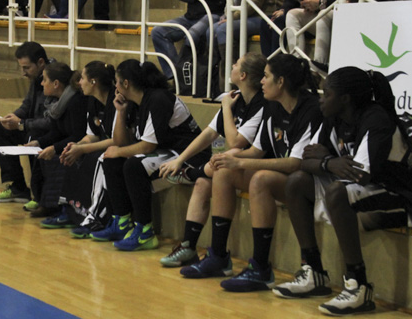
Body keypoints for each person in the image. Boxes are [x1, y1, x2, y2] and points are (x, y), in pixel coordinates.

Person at [274, 66, 412, 316]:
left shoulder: (376, 119)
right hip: (367, 190)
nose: (321, 100)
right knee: (296, 182)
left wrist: (328, 161)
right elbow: (306, 160)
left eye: (327, 94)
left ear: (345, 99)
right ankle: (313, 272)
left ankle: (358, 285)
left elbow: (360, 173)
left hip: (402, 199)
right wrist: (329, 162)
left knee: (337, 192)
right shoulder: (333, 118)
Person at [181, 54, 322, 290]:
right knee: (223, 171)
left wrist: (241, 163)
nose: (262, 82)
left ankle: (260, 268)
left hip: (307, 182)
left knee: (260, 179)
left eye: (267, 77)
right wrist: (228, 158)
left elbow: (295, 164)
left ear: (281, 82)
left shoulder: (310, 110)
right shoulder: (273, 107)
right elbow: (256, 151)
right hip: (284, 177)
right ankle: (217, 255)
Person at [157, 53, 266, 268]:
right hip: (232, 165)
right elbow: (208, 134)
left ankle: (193, 172)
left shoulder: (260, 104)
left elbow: (235, 142)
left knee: (225, 158)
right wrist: (180, 160)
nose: (231, 65)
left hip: (254, 165)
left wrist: (225, 107)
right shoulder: (236, 97)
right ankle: (188, 246)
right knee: (203, 182)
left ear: (242, 75)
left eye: (235, 63)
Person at [90, 60, 210, 251]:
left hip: (189, 155)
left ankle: (145, 230)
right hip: (165, 151)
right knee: (112, 160)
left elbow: (147, 146)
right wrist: (121, 112)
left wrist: (119, 151)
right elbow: (121, 142)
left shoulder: (158, 99)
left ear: (126, 83)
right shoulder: (134, 103)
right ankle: (121, 222)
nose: (116, 87)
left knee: (133, 165)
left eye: (117, 82)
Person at [57, 61, 122, 235]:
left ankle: (96, 218)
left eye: (83, 78)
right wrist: (77, 146)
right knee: (72, 152)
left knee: (98, 158)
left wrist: (84, 149)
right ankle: (72, 210)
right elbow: (92, 135)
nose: (79, 83)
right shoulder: (92, 102)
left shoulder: (115, 101)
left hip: (124, 148)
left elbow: (118, 140)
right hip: (107, 145)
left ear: (93, 82)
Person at [0, 42, 53, 205]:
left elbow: (50, 120)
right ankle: (18, 187)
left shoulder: (54, 78)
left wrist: (22, 124)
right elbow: (27, 104)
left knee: (34, 136)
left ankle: (39, 194)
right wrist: (14, 116)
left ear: (40, 63)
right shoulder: (36, 76)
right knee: (1, 129)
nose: (23, 73)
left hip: (49, 131)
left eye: (26, 68)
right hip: (32, 124)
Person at [30, 62, 89, 220]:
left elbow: (77, 135)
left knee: (56, 158)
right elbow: (57, 132)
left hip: (81, 145)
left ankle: (56, 207)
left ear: (56, 84)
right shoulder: (58, 103)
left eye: (44, 80)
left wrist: (54, 148)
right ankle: (42, 201)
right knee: (41, 153)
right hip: (69, 142)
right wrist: (38, 142)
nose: (42, 83)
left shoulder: (76, 102)